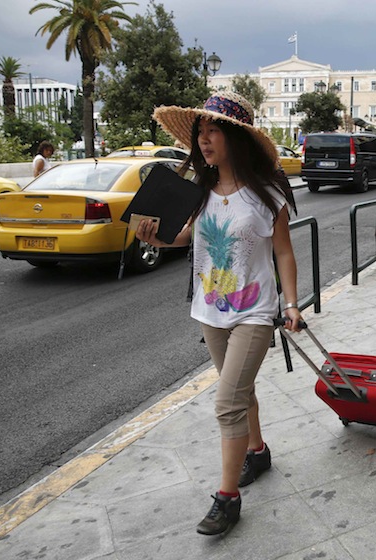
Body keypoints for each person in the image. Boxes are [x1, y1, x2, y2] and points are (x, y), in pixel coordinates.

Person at [137, 92, 302, 536]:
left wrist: (291, 304)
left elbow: (284, 253)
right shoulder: (203, 193)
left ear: (236, 137)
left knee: (227, 401)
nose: (205, 140)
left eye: (213, 131)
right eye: (201, 133)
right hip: (210, 309)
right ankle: (258, 451)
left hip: (254, 312)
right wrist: (155, 239)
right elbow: (187, 239)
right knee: (240, 390)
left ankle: (227, 499)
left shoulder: (268, 194)